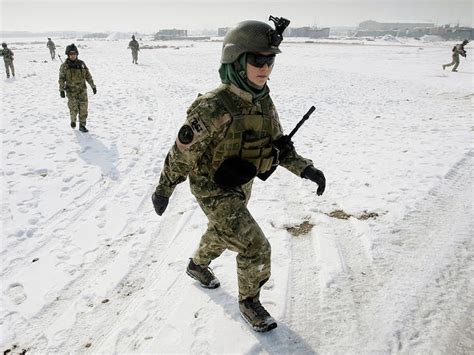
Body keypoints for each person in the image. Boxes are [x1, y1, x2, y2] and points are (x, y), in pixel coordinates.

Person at [151, 17, 326, 332]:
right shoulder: (213, 107)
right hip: (212, 190)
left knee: (222, 232)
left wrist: (306, 168)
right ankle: (250, 302)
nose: (265, 67)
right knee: (254, 245)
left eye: (270, 60)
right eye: (257, 59)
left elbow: (278, 144)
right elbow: (181, 154)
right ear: (236, 59)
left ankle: (197, 265)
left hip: (240, 185)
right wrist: (164, 188)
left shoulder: (262, 100)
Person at [58, 43, 97, 132]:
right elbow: (61, 79)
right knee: (73, 108)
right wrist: (61, 90)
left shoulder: (82, 64)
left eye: (74, 54)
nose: (73, 56)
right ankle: (73, 120)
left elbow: (88, 76)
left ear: (77, 54)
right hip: (71, 92)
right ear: (68, 55)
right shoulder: (64, 66)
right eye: (71, 54)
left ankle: (82, 125)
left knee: (83, 109)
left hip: (82, 90)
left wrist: (93, 86)